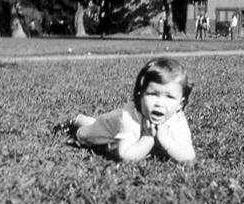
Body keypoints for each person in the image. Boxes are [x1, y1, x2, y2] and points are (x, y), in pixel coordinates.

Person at [53, 57, 196, 163]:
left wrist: (167, 141)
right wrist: (147, 138)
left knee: (95, 123)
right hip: (111, 126)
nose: (160, 103)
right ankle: (76, 122)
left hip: (126, 130)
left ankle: (84, 119)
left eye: (170, 97)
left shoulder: (177, 118)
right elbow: (126, 155)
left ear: (180, 104)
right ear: (140, 95)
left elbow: (189, 156)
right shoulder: (131, 115)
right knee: (86, 134)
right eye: (153, 94)